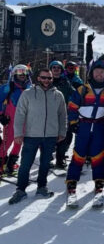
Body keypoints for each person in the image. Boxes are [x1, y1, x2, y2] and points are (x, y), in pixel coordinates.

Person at [9, 68, 67, 204]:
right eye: (44, 77)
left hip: (50, 135)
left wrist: (62, 131)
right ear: (38, 78)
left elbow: (62, 115)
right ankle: (20, 189)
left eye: (49, 78)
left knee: (45, 163)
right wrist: (18, 133)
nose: (46, 80)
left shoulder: (58, 95)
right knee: (25, 164)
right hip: (31, 135)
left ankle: (42, 187)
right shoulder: (28, 94)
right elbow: (19, 115)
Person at [65, 61, 104, 200]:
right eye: (96, 71)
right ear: (91, 73)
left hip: (99, 126)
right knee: (79, 153)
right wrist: (73, 123)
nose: (99, 74)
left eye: (102, 72)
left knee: (98, 154)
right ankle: (72, 180)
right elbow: (72, 106)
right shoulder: (83, 89)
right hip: (84, 125)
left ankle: (99, 180)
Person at [0, 64, 32, 176]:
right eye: (19, 72)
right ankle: (1, 164)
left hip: (24, 120)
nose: (22, 74)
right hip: (10, 119)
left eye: (24, 72)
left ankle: (10, 164)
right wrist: (1, 116)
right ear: (14, 73)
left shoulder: (30, 88)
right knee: (6, 142)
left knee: (18, 143)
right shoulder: (8, 87)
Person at [50, 60, 75, 169]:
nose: (56, 70)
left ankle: (60, 159)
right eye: (54, 68)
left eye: (58, 68)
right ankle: (48, 158)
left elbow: (73, 93)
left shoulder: (65, 81)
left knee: (64, 136)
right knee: (49, 137)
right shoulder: (46, 80)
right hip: (48, 113)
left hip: (63, 113)